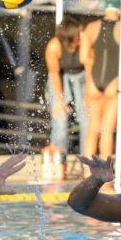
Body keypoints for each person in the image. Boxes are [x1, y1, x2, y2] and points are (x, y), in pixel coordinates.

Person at [81, 0, 121, 162]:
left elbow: (84, 58)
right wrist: (120, 57)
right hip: (114, 82)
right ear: (120, 9)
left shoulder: (91, 27)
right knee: (107, 131)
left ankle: (86, 174)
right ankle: (105, 180)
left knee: (92, 130)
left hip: (93, 81)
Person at [44, 15, 87, 157]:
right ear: (70, 36)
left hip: (82, 78)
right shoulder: (54, 46)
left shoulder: (85, 44)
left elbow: (91, 70)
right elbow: (55, 75)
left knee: (87, 120)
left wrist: (89, 98)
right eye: (79, 34)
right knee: (60, 121)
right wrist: (59, 101)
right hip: (61, 79)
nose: (82, 36)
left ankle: (87, 162)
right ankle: (59, 161)